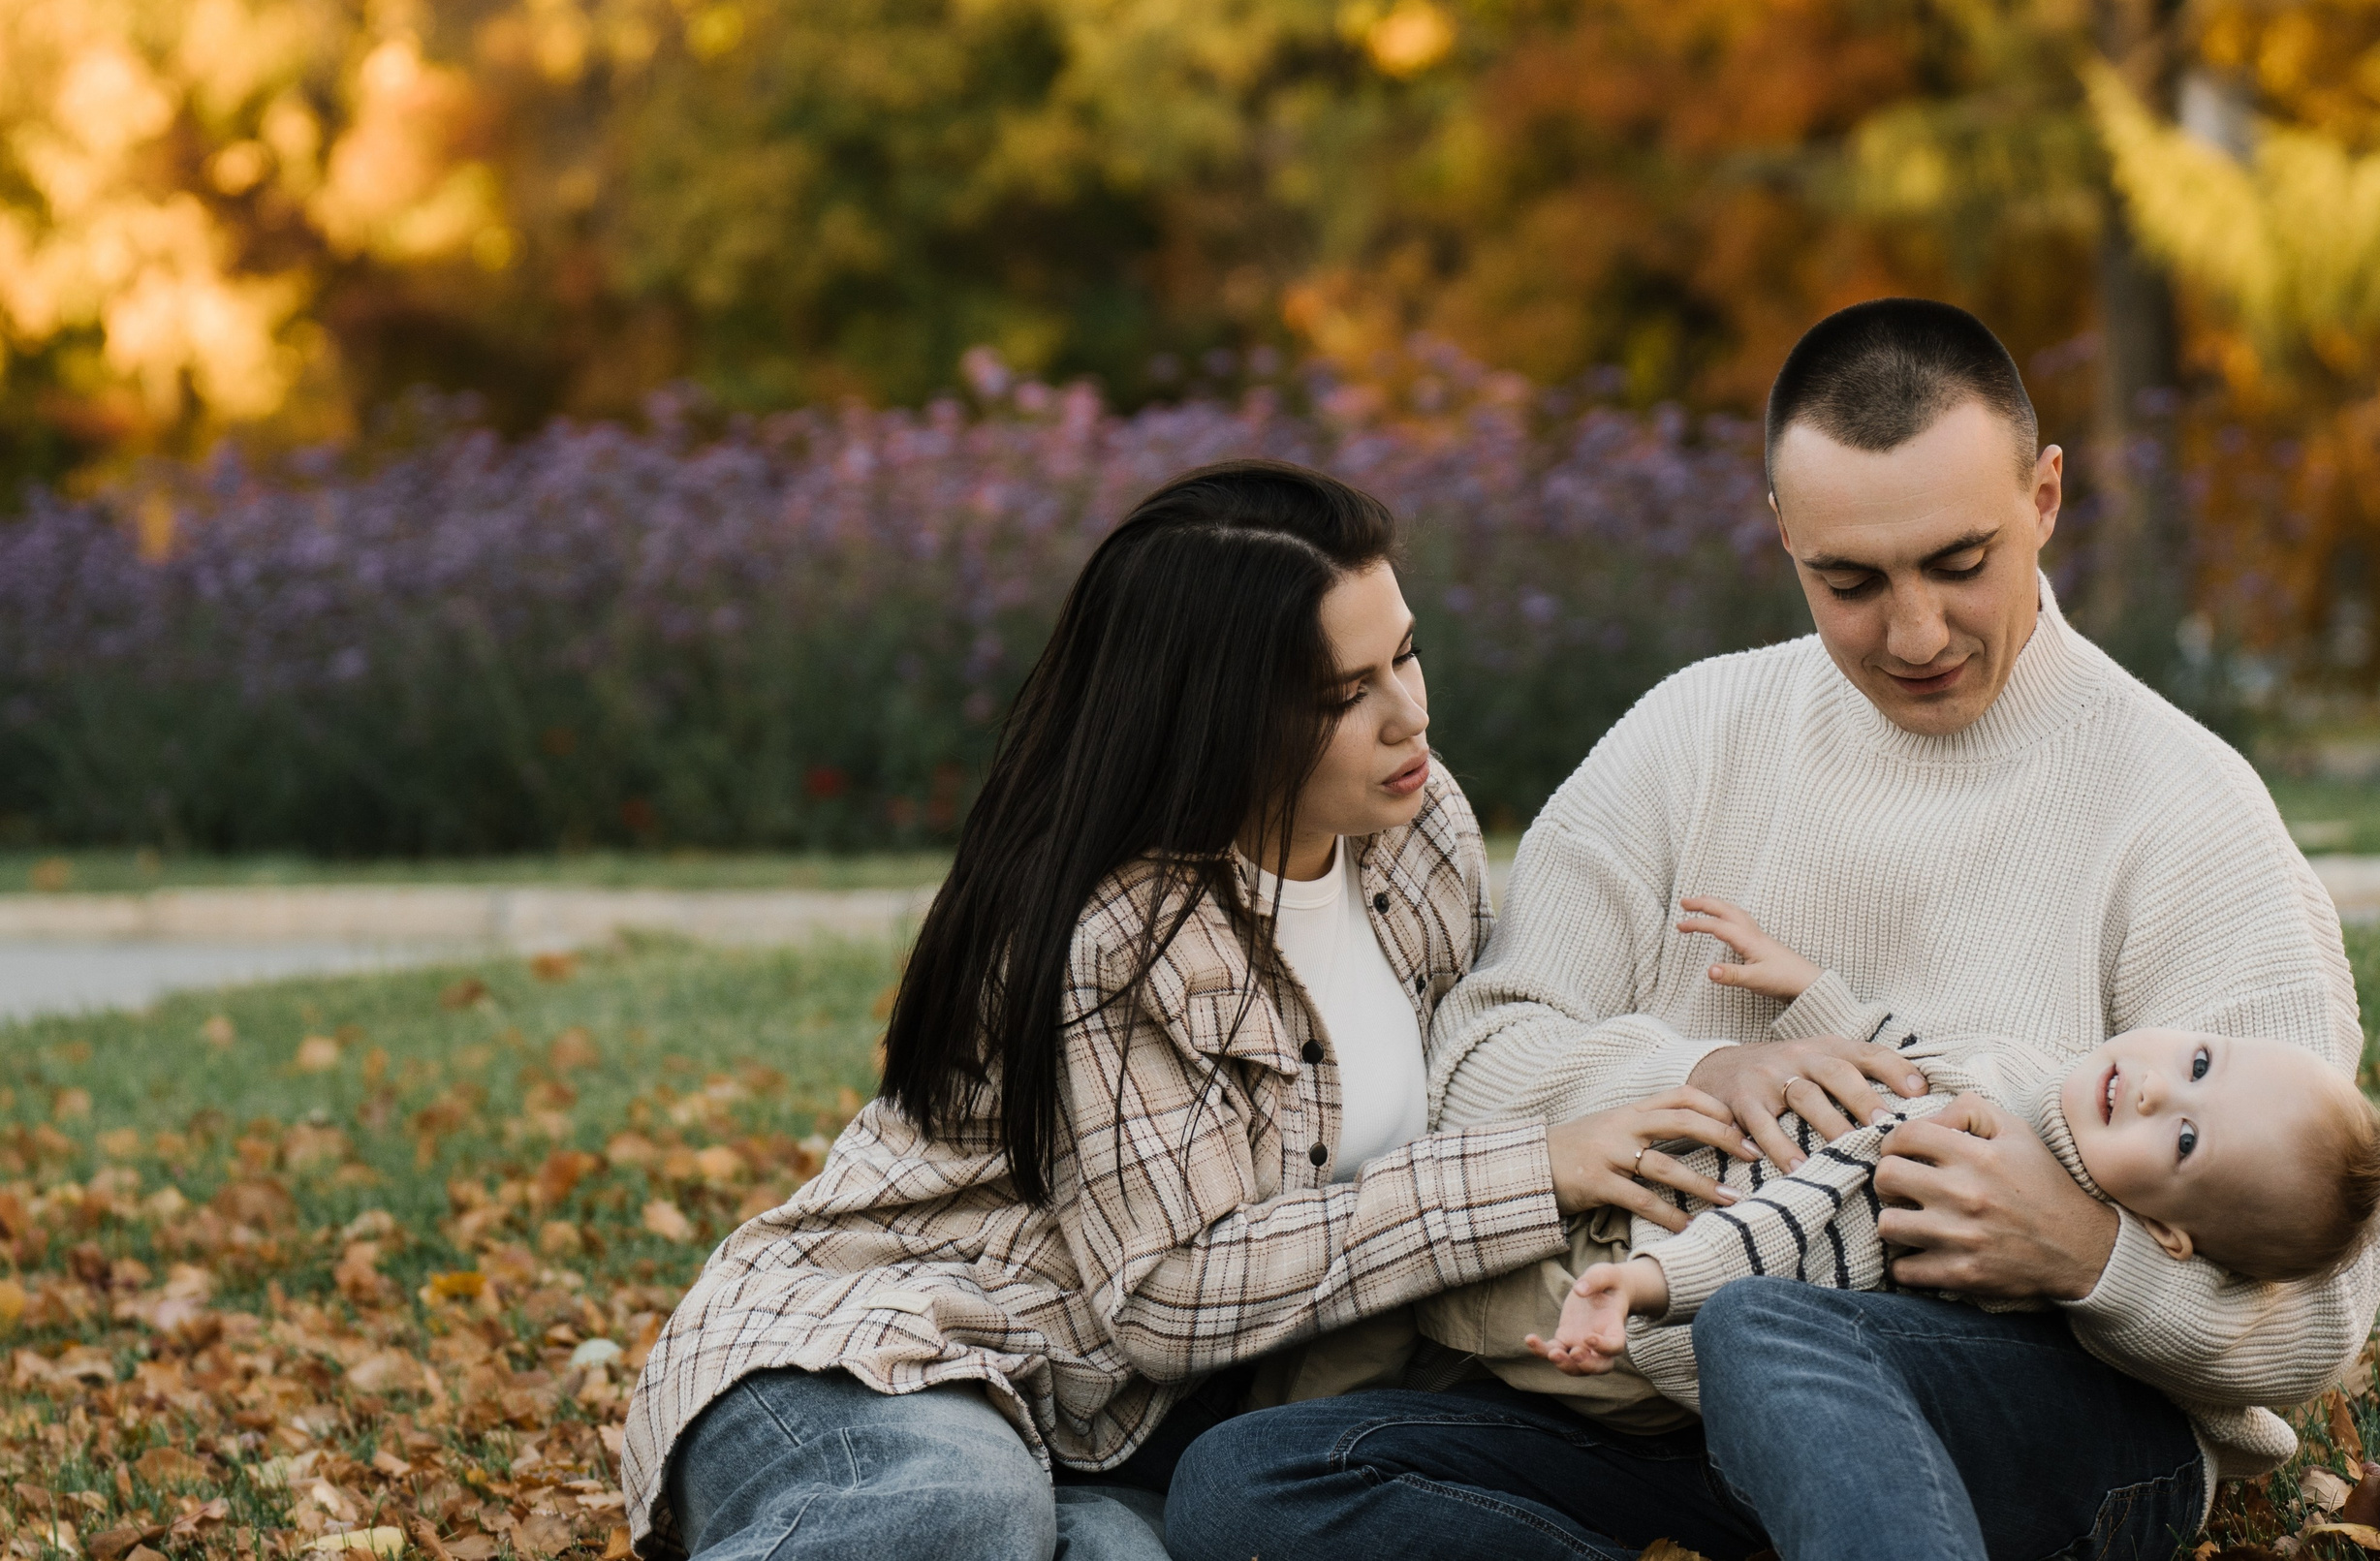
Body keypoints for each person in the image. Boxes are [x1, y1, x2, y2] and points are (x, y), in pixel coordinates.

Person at [1165, 299, 2380, 1561]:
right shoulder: (1688, 736)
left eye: (1960, 561)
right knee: (1252, 1477)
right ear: (1785, 534)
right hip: (1663, 1421)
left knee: (1765, 1321)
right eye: (1850, 579)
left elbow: (2325, 1302)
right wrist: (1689, 1073)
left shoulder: (2187, 809)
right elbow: (1474, 1061)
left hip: (2025, 1423)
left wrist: (2089, 1254)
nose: (1913, 632)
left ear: (2047, 496)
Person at [617, 459, 1753, 1561]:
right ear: (1217, 715)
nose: (1408, 714)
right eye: (1343, 694)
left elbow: (1483, 1056)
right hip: (891, 1353)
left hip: (1115, 1437)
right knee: (958, 1512)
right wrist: (1533, 1168)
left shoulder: (1415, 828)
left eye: (1404, 655)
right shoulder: (1117, 932)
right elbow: (1169, 1288)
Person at [1525, 901, 2380, 1404]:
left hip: (1654, 1264)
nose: (2158, 1088)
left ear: (2167, 1235)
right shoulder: (2030, 1090)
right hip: (1670, 1199)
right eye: (2200, 1060)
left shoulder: (1962, 1196)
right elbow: (1910, 1065)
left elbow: (1787, 1233)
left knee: (1457, 1324)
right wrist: (1812, 991)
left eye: (2184, 1138)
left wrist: (1646, 1285)